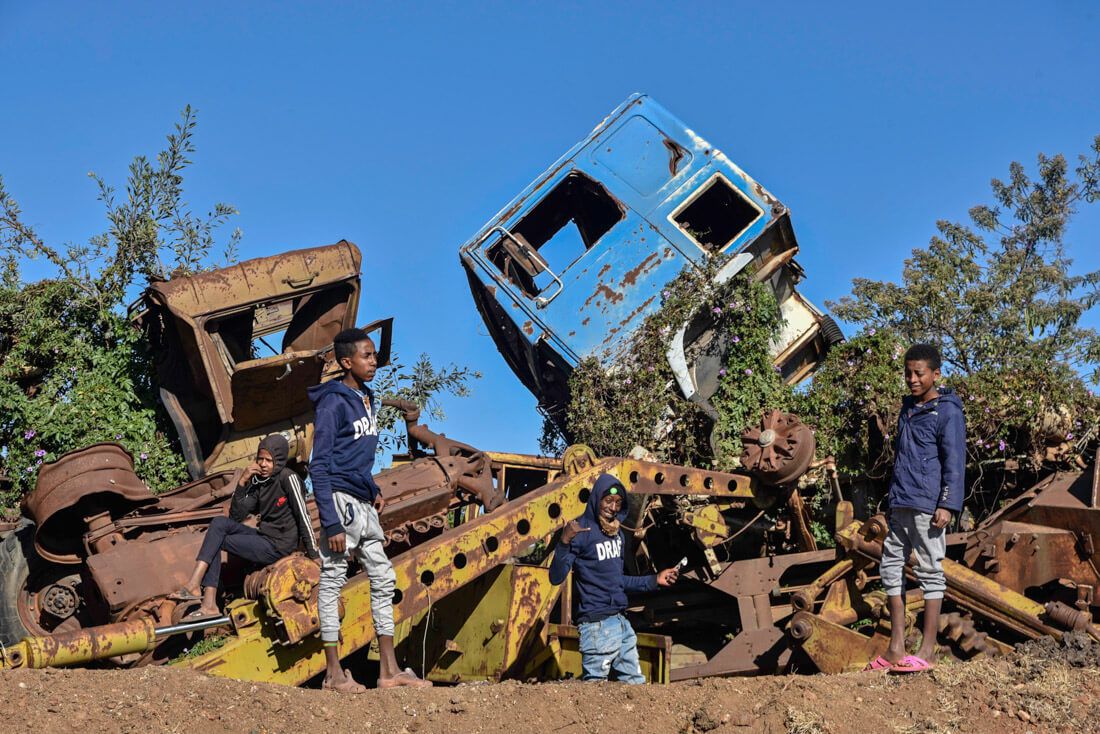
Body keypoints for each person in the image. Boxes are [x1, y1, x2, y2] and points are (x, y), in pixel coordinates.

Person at [308, 327, 431, 693]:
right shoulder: (333, 402)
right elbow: (320, 465)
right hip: (340, 507)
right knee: (332, 580)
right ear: (347, 362)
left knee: (383, 577)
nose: (373, 360)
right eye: (366, 355)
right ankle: (333, 674)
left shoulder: (367, 398)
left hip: (362, 504)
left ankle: (388, 671)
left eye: (374, 354)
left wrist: (372, 487)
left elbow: (355, 458)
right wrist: (330, 523)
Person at [867, 343, 965, 673]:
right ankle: (895, 649)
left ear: (935, 374)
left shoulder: (948, 411)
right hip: (902, 501)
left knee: (929, 573)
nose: (911, 379)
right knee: (891, 569)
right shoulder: (908, 408)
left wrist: (948, 505)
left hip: (928, 506)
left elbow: (954, 462)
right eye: (907, 373)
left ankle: (927, 650)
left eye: (918, 373)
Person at [549, 472, 679, 683]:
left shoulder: (616, 535)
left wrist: (655, 579)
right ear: (596, 499)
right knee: (594, 689)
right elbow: (556, 577)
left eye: (618, 502)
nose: (613, 507)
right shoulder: (580, 531)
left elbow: (618, 581)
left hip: (620, 621)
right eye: (608, 501)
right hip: (596, 625)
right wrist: (564, 542)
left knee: (635, 683)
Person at [174, 434, 318, 619]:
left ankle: (204, 597)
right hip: (264, 538)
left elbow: (303, 516)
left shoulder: (287, 478)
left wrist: (314, 555)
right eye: (260, 459)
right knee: (219, 524)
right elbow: (236, 516)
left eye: (269, 460)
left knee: (217, 540)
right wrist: (242, 482)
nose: (263, 464)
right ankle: (200, 591)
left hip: (279, 547)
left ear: (280, 460)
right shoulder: (260, 482)